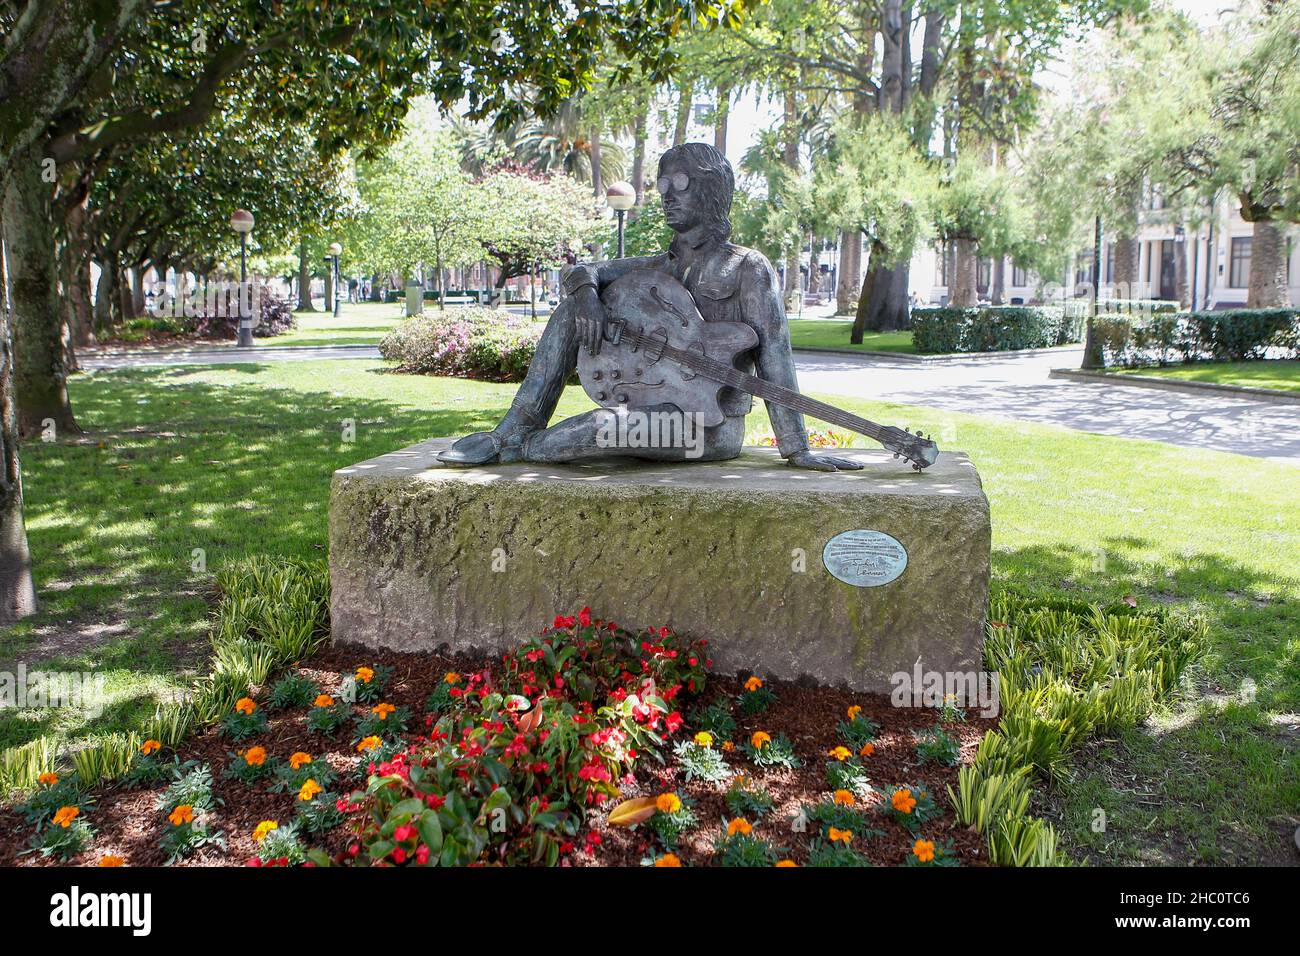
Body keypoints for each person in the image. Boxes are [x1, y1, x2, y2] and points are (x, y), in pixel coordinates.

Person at [437, 142, 862, 472]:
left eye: (680, 184)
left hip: (709, 429)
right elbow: (583, 269)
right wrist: (585, 293)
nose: (666, 196)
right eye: (662, 185)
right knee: (571, 311)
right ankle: (515, 428)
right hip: (651, 406)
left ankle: (520, 448)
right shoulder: (654, 267)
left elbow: (776, 355)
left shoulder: (747, 267)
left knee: (599, 428)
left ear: (713, 190)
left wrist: (797, 448)